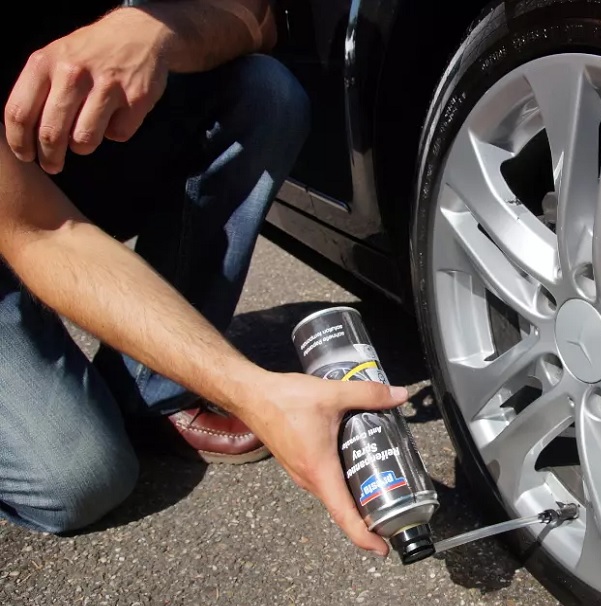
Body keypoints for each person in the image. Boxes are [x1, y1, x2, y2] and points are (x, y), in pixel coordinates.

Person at [0, 0, 401, 557]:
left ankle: (150, 387)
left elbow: (257, 18)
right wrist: (256, 392)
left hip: (73, 151)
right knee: (81, 478)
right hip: (20, 211)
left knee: (267, 91)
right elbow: (42, 232)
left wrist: (154, 33)